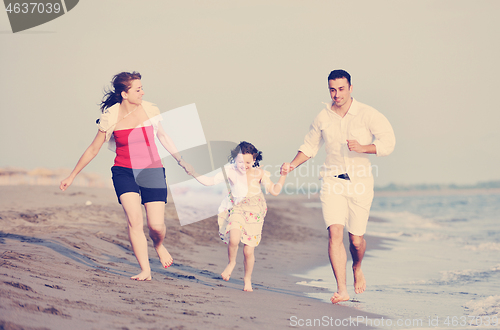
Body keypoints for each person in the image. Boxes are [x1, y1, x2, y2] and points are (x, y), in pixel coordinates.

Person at [60, 71, 192, 281]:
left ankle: (158, 244)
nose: (142, 92)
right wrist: (72, 175)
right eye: (138, 89)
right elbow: (93, 149)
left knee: (156, 226)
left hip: (152, 170)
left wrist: (181, 160)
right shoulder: (111, 116)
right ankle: (145, 270)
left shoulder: (150, 109)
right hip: (124, 171)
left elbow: (163, 136)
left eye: (142, 88)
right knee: (134, 221)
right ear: (124, 93)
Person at [281, 70, 395, 303]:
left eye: (341, 89)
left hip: (360, 183)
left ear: (351, 88)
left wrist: (364, 147)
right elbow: (310, 147)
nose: (337, 94)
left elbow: (389, 142)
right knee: (335, 233)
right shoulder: (322, 117)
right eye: (333, 89)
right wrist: (292, 165)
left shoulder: (367, 114)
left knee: (356, 240)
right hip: (332, 181)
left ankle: (357, 266)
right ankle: (342, 289)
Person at [191, 141, 287, 291]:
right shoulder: (230, 171)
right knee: (234, 238)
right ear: (235, 159)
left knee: (248, 251)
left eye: (248, 162)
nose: (244, 165)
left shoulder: (259, 173)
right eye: (240, 161)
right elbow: (209, 182)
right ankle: (231, 263)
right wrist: (194, 173)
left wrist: (283, 175)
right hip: (237, 208)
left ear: (254, 160)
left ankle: (247, 278)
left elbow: (274, 190)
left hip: (255, 212)